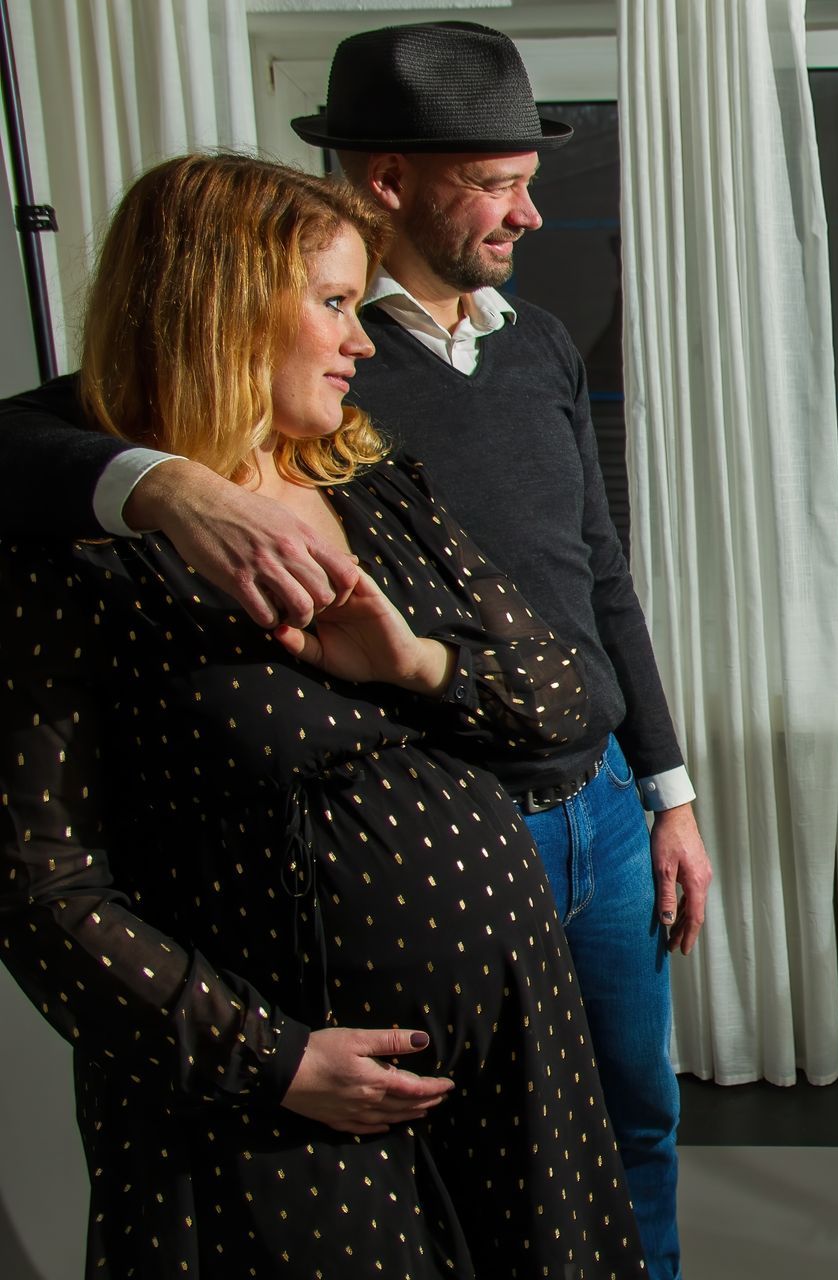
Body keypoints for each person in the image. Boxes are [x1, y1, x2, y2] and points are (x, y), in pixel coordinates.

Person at [0, 23, 708, 1277]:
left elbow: (598, 588)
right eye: (494, 182)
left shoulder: (464, 395)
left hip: (587, 804)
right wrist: (160, 482)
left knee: (632, 1127)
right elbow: (43, 879)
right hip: (324, 1050)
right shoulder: (295, 423)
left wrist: (665, 788)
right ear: (389, 181)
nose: (529, 213)